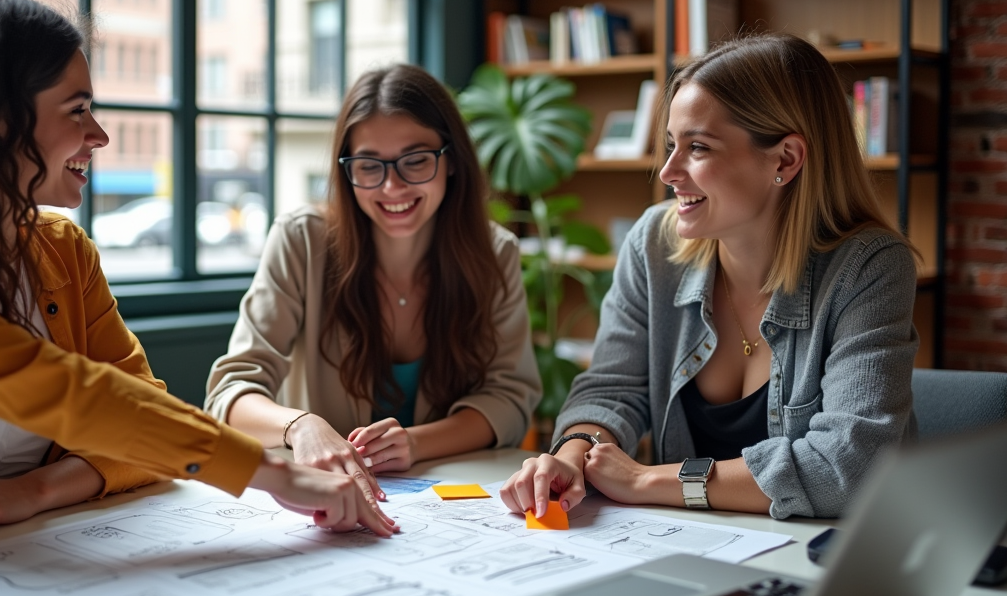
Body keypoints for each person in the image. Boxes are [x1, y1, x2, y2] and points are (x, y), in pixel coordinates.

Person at [0, 0, 395, 539]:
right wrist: (276, 475)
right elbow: (61, 392)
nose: (99, 135)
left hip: (9, 548)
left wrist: (35, 491)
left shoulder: (60, 248)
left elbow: (136, 409)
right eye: (76, 110)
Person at [501, 33, 920, 521]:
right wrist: (576, 451)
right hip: (694, 547)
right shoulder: (653, 244)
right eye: (671, 145)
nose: (668, 171)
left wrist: (648, 479)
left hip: (830, 559)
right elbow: (612, 390)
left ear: (785, 159)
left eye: (697, 147)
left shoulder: (869, 268)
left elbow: (851, 464)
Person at [205, 64, 541, 499]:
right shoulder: (300, 239)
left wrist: (416, 443)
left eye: (416, 161)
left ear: (452, 159)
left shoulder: (495, 253)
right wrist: (300, 427)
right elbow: (230, 392)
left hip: (445, 499)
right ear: (346, 170)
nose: (392, 186)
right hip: (323, 498)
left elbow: (510, 398)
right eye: (369, 166)